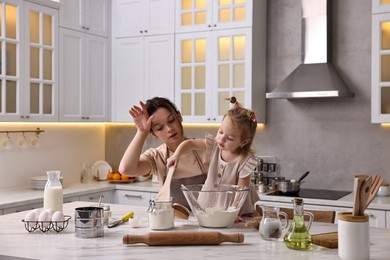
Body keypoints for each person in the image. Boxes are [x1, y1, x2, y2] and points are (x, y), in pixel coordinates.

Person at [167, 97, 260, 216]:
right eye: (220, 132)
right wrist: (176, 155)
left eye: (230, 138)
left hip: (233, 205)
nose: (221, 139)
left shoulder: (245, 161)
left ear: (244, 142)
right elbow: (190, 144)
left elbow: (241, 191)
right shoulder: (215, 145)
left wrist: (234, 212)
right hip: (207, 199)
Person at [118, 97, 210, 208]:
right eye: (160, 128)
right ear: (153, 134)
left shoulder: (204, 148)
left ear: (179, 116)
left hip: (206, 221)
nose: (169, 129)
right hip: (173, 222)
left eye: (171, 120)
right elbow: (126, 169)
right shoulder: (157, 156)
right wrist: (142, 132)